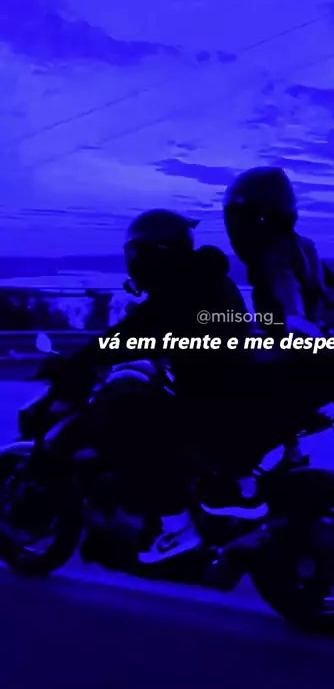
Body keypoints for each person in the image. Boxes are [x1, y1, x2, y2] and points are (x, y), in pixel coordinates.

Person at [48, 210, 267, 565]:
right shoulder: (210, 280)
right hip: (230, 391)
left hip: (210, 401)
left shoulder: (181, 290)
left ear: (155, 253)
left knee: (119, 418)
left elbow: (127, 336)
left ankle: (176, 525)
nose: (133, 261)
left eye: (136, 252)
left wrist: (74, 367)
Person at [224, 166, 334, 466]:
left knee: (226, 385)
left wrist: (294, 323)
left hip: (293, 341)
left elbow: (287, 290)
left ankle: (239, 469)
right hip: (314, 336)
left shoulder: (271, 253)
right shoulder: (305, 245)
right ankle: (289, 451)